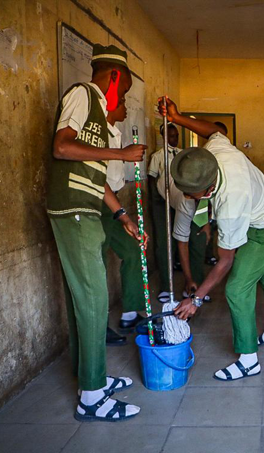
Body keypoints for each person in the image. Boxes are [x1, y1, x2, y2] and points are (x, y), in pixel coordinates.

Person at [47, 44, 146, 421]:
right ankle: (92, 396)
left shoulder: (101, 123)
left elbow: (97, 175)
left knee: (83, 297)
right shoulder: (83, 94)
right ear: (115, 78)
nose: (121, 100)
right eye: (123, 92)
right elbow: (61, 146)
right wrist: (122, 155)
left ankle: (90, 376)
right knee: (95, 296)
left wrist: (122, 215)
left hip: (86, 208)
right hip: (72, 209)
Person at [159, 96, 264, 381]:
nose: (188, 199)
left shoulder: (231, 201)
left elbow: (225, 260)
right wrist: (178, 117)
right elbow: (216, 132)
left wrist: (195, 299)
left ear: (206, 191)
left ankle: (248, 359)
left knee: (238, 288)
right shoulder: (214, 152)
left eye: (191, 195)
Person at [102, 97, 146, 339]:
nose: (126, 107)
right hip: (98, 204)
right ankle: (97, 329)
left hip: (114, 203)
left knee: (133, 250)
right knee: (95, 264)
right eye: (121, 102)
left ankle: (129, 314)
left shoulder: (116, 132)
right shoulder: (99, 133)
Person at [147, 123, 182, 301]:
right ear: (164, 137)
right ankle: (165, 286)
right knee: (163, 242)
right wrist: (157, 200)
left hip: (181, 201)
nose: (174, 139)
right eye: (171, 136)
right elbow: (152, 180)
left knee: (180, 237)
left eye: (176, 136)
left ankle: (180, 271)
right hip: (162, 202)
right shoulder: (158, 156)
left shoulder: (183, 155)